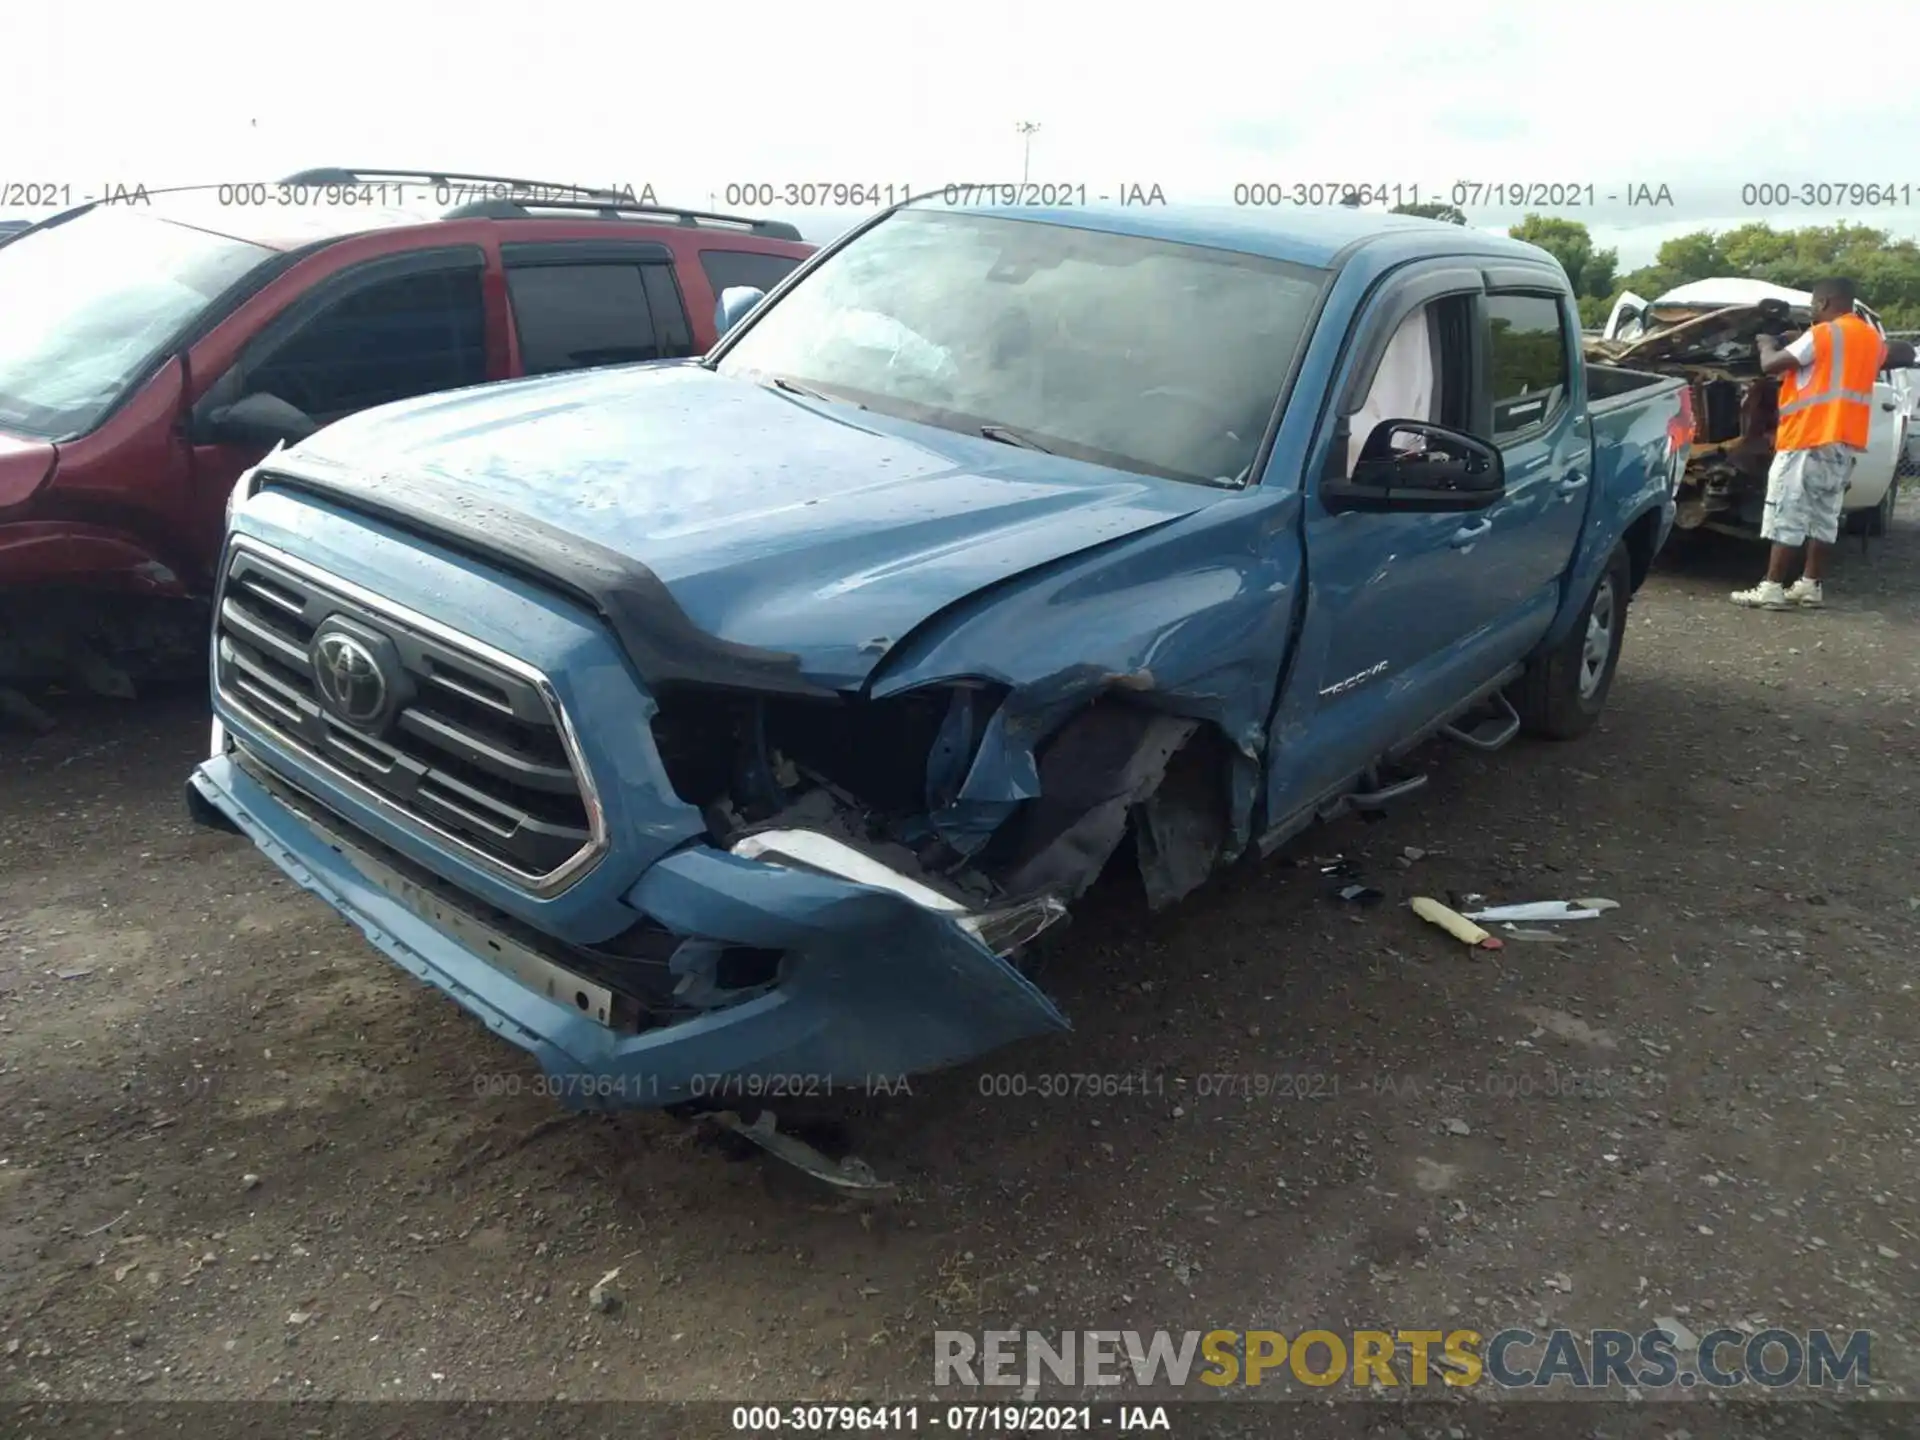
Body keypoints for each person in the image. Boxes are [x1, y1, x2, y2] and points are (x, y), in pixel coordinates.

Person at [1732, 278, 1916, 609]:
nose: (1815, 312)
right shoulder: (1869, 339)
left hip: (1808, 435)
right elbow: (1885, 356)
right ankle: (1810, 585)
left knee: (1787, 509)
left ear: (1825, 303)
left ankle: (1771, 587)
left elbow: (1771, 365)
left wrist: (1765, 343)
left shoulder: (1823, 334)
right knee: (1825, 514)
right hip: (1843, 439)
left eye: (1816, 306)